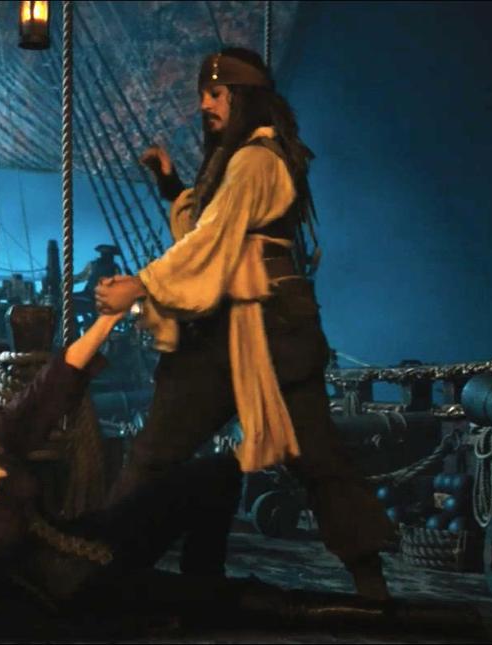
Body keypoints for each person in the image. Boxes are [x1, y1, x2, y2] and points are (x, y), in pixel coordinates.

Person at [0, 311, 473, 637]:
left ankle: (205, 585)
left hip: (103, 536)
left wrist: (106, 319)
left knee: (215, 475)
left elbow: (48, 391)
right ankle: (397, 621)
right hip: (86, 597)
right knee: (245, 603)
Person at [95, 47, 396, 600]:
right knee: (162, 450)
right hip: (236, 327)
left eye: (216, 95)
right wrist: (172, 186)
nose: (204, 105)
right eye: (203, 96)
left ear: (244, 98)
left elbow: (213, 240)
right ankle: (97, 562)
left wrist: (142, 285)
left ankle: (96, 564)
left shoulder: (256, 161)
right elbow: (212, 224)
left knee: (308, 457)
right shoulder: (238, 163)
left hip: (268, 329)